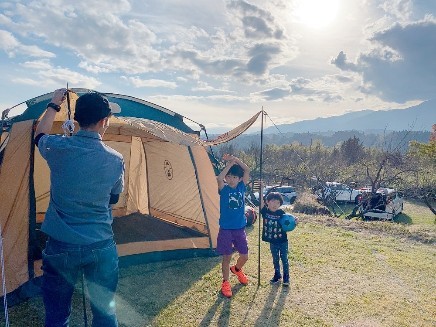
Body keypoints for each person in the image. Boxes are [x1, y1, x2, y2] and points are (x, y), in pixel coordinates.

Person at [34, 89, 125, 327]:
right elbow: (113, 200)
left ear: (76, 120)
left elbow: (39, 134)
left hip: (61, 247)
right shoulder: (115, 159)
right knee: (105, 314)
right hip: (101, 245)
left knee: (57, 315)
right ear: (104, 121)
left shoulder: (58, 147)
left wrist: (54, 104)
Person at [216, 153, 250, 298]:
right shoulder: (224, 189)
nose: (231, 179)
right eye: (229, 177)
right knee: (227, 256)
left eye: (234, 177)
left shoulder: (242, 186)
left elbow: (247, 170)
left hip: (240, 228)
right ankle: (225, 282)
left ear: (239, 179)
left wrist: (237, 160)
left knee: (245, 256)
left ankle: (237, 269)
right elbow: (218, 178)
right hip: (226, 229)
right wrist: (229, 165)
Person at [260, 191, 298, 287]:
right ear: (267, 202)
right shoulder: (265, 212)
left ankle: (286, 278)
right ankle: (277, 275)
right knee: (275, 259)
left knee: (284, 259)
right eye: (272, 201)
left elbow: (289, 220)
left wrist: (295, 220)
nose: (275, 204)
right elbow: (260, 203)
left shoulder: (281, 213)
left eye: (278, 203)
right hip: (273, 242)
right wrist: (261, 190)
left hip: (283, 241)